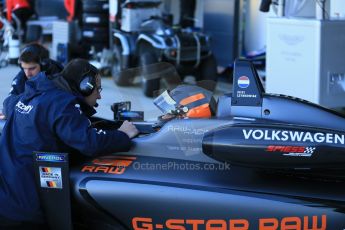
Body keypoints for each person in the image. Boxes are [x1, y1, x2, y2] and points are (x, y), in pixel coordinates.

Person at [0, 58, 139, 229]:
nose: (100, 95)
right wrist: (123, 135)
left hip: (7, 198)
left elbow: (8, 103)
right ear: (85, 86)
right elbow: (89, 143)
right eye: (98, 88)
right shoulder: (61, 104)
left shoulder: (34, 92)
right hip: (25, 211)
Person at [1, 43, 63, 119]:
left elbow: (48, 107)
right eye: (24, 68)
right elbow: (9, 104)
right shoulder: (22, 76)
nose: (27, 73)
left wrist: (19, 106)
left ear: (44, 65)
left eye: (32, 68)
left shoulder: (58, 76)